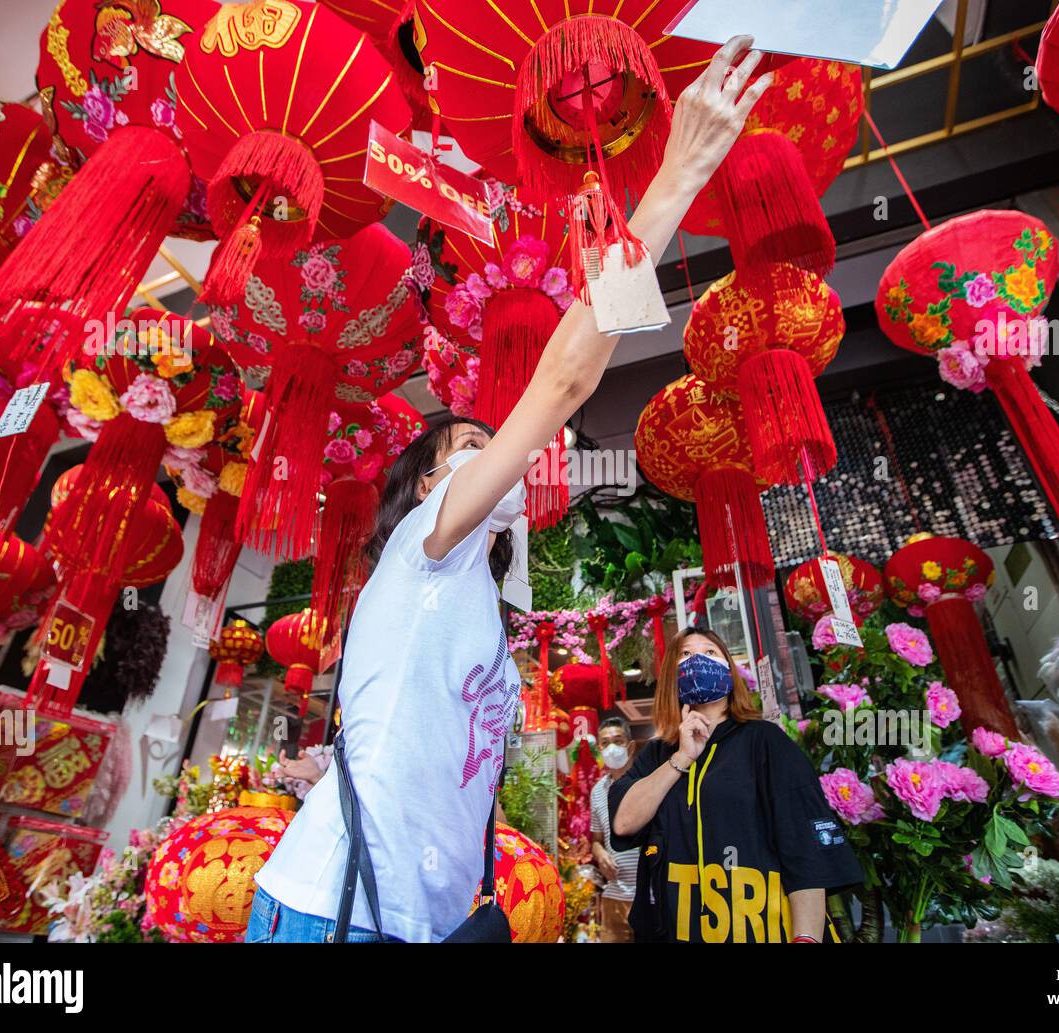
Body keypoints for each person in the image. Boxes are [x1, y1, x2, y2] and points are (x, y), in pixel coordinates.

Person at [246, 36, 774, 943]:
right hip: (340, 910)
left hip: (426, 918)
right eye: (465, 449)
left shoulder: (469, 598)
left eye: (497, 449)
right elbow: (564, 384)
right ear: (424, 489)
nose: (495, 458)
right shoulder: (424, 546)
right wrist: (677, 173)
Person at [609, 628, 863, 943]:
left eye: (711, 653)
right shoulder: (658, 754)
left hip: (762, 930)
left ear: (729, 670)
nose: (699, 659)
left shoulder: (766, 741)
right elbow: (623, 822)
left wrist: (806, 937)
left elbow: (806, 851)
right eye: (686, 655)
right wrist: (683, 757)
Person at [590, 716, 640, 942]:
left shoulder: (647, 782)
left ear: (631, 746)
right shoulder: (598, 791)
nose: (611, 747)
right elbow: (597, 839)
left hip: (649, 895)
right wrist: (600, 854)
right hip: (613, 896)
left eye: (618, 741)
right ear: (599, 748)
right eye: (605, 742)